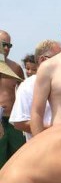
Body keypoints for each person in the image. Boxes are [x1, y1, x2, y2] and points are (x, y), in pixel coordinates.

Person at [10, 40, 61, 140]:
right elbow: (19, 123)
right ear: (42, 60)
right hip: (43, 145)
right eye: (59, 59)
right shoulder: (27, 86)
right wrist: (55, 129)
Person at [0, 30, 25, 168]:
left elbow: (26, 92)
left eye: (9, 45)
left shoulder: (16, 68)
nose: (6, 48)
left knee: (19, 159)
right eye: (3, 44)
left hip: (14, 121)